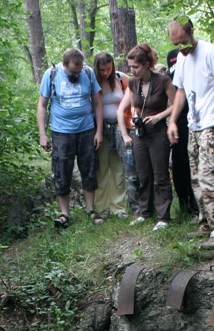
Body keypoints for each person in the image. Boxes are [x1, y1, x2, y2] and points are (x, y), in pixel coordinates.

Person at [167, 18, 214, 250]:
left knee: (210, 178)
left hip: (212, 124)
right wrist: (173, 121)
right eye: (176, 45)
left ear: (191, 31)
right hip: (193, 125)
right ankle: (205, 223)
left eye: (183, 43)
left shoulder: (209, 52)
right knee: (196, 178)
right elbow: (181, 92)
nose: (181, 49)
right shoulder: (182, 60)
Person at [37, 48, 104, 229]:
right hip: (61, 132)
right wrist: (43, 134)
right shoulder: (51, 75)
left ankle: (91, 210)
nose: (77, 74)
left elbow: (97, 103)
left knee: (89, 169)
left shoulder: (88, 73)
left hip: (87, 130)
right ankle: (65, 214)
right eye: (74, 71)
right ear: (64, 64)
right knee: (62, 172)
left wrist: (99, 131)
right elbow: (42, 105)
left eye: (79, 70)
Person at [117, 43, 176, 230]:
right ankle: (145, 212)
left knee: (160, 174)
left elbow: (176, 104)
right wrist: (135, 116)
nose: (132, 71)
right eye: (130, 67)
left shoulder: (163, 80)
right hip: (140, 134)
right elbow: (134, 104)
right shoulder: (133, 83)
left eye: (136, 67)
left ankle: (163, 216)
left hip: (158, 132)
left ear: (146, 64)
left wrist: (158, 117)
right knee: (143, 174)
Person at [92, 52, 129, 218]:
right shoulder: (93, 81)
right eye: (102, 70)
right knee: (101, 168)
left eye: (108, 68)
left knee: (118, 169)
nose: (105, 73)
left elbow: (131, 100)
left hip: (118, 128)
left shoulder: (122, 78)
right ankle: (101, 207)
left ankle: (118, 206)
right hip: (100, 129)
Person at [166, 47, 199, 218]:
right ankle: (185, 207)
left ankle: (197, 208)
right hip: (178, 120)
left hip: (196, 118)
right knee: (179, 166)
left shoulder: (200, 56)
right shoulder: (172, 57)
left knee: (193, 164)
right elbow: (176, 90)